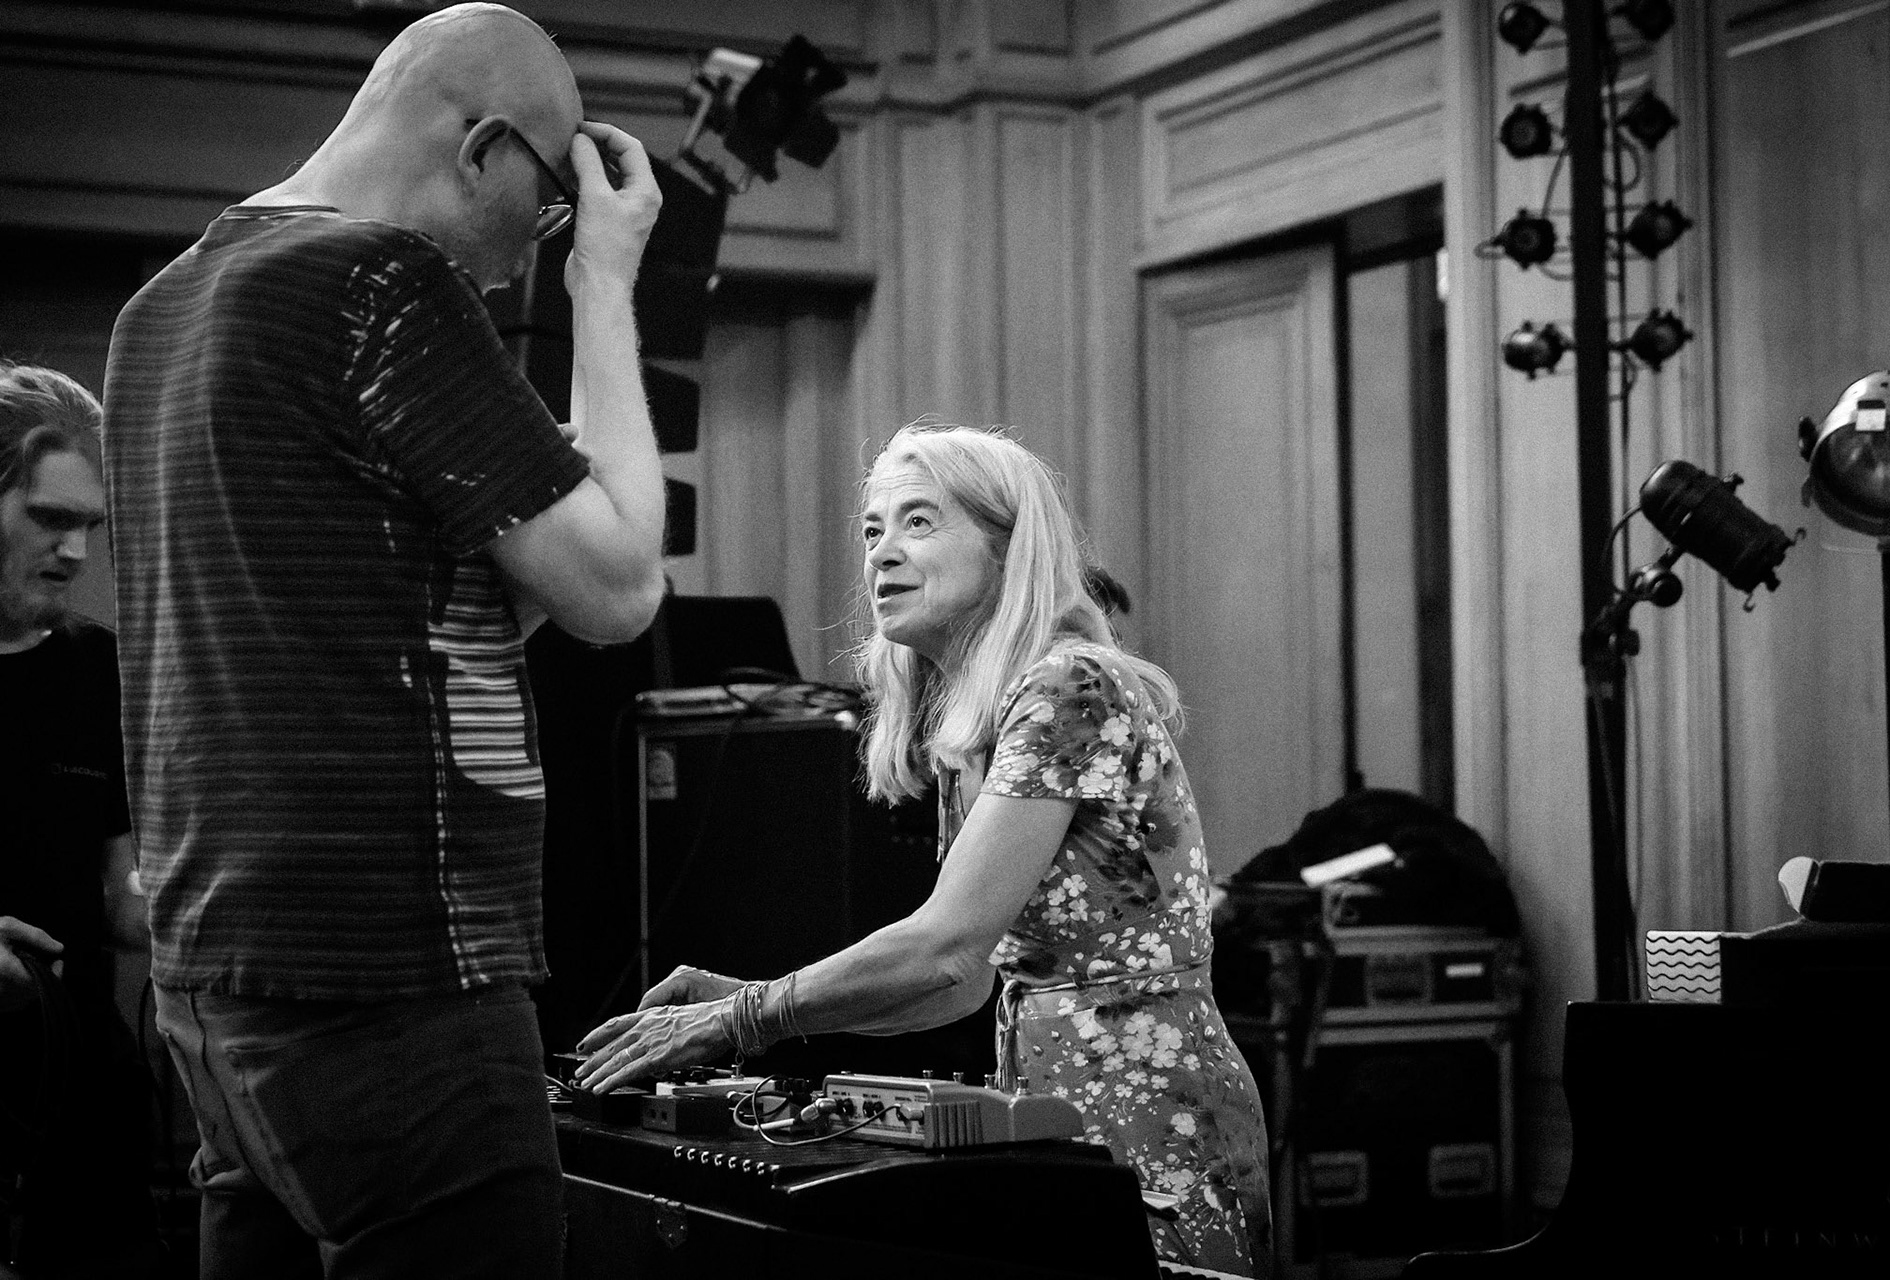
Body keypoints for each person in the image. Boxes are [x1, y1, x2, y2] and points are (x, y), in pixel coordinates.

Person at [100, 4, 669, 1276]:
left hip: (215, 982)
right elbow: (623, 584)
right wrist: (608, 287)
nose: (544, 241)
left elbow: (419, 612)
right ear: (481, 149)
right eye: (551, 196)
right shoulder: (377, 280)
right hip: (392, 968)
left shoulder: (164, 309)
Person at [577, 424, 1274, 1277]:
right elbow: (967, 982)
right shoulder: (975, 720)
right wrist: (755, 1015)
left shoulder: (1069, 685)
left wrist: (746, 1015)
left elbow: (944, 949)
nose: (883, 555)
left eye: (919, 523)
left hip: (1152, 1108)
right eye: (873, 530)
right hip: (1053, 1101)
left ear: (1007, 548)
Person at [0, 361, 164, 1278]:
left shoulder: (100, 668)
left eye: (88, 528)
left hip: (79, 1105)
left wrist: (194, 904)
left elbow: (119, 892)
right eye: (48, 519)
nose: (74, 552)